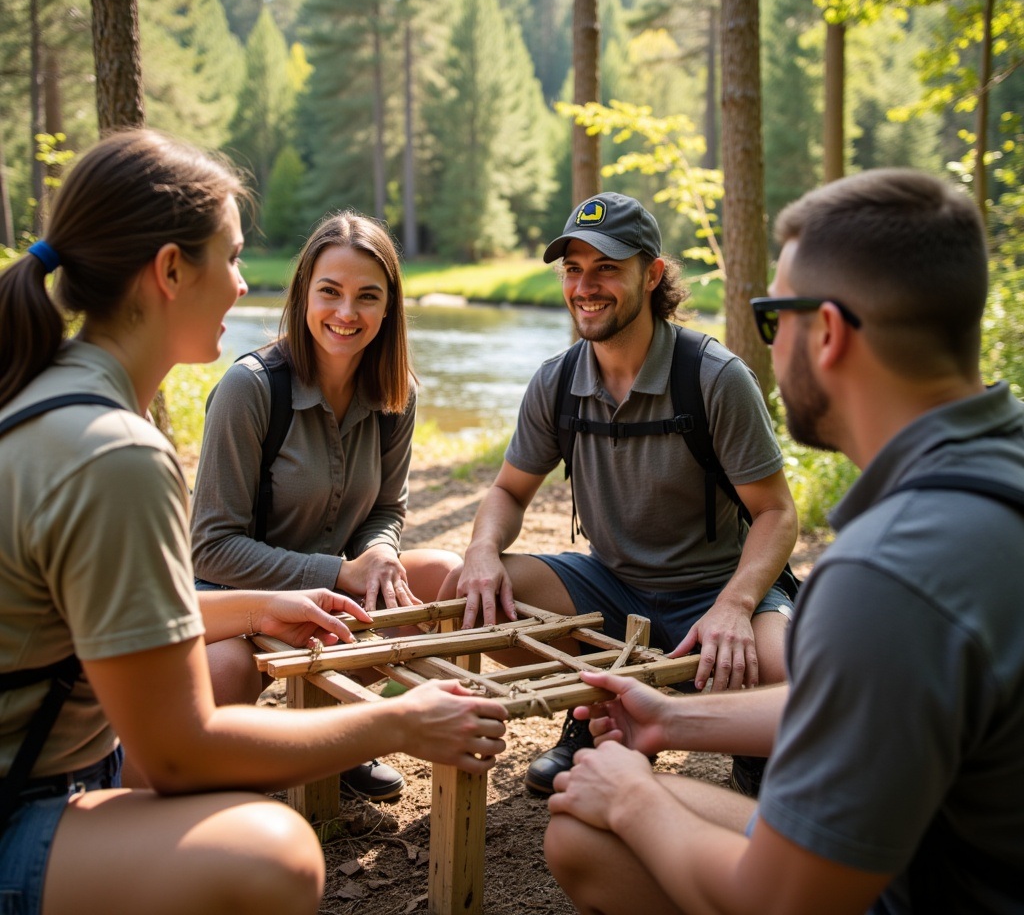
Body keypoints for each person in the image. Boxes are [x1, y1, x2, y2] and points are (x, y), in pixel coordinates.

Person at [0, 129, 508, 915]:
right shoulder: (117, 452)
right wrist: (400, 723)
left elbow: (83, 624)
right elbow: (180, 751)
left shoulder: (50, 396)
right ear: (171, 271)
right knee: (275, 855)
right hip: (24, 806)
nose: (243, 286)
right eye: (233, 257)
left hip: (55, 775)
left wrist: (258, 605)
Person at [544, 169, 1024, 914]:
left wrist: (634, 796)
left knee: (589, 826)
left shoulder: (886, 574)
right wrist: (671, 718)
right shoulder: (996, 473)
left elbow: (783, 902)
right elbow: (874, 701)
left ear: (827, 333)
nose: (765, 344)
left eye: (773, 316)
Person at [443, 192, 799, 795]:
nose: (585, 287)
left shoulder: (714, 377)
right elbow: (508, 491)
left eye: (606, 267)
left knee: (794, 671)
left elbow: (777, 513)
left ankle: (750, 738)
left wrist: (736, 604)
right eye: (573, 269)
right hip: (610, 586)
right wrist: (480, 550)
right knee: (467, 590)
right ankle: (595, 712)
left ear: (652, 274)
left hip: (716, 588)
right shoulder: (556, 381)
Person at [189, 211, 460, 802]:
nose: (347, 312)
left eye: (368, 296)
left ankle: (344, 736)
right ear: (303, 294)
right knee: (223, 673)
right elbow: (210, 547)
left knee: (444, 576)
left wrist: (380, 553)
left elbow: (385, 510)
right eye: (330, 292)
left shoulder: (398, 392)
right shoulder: (250, 388)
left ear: (389, 308)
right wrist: (339, 571)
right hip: (236, 598)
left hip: (335, 594)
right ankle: (270, 757)